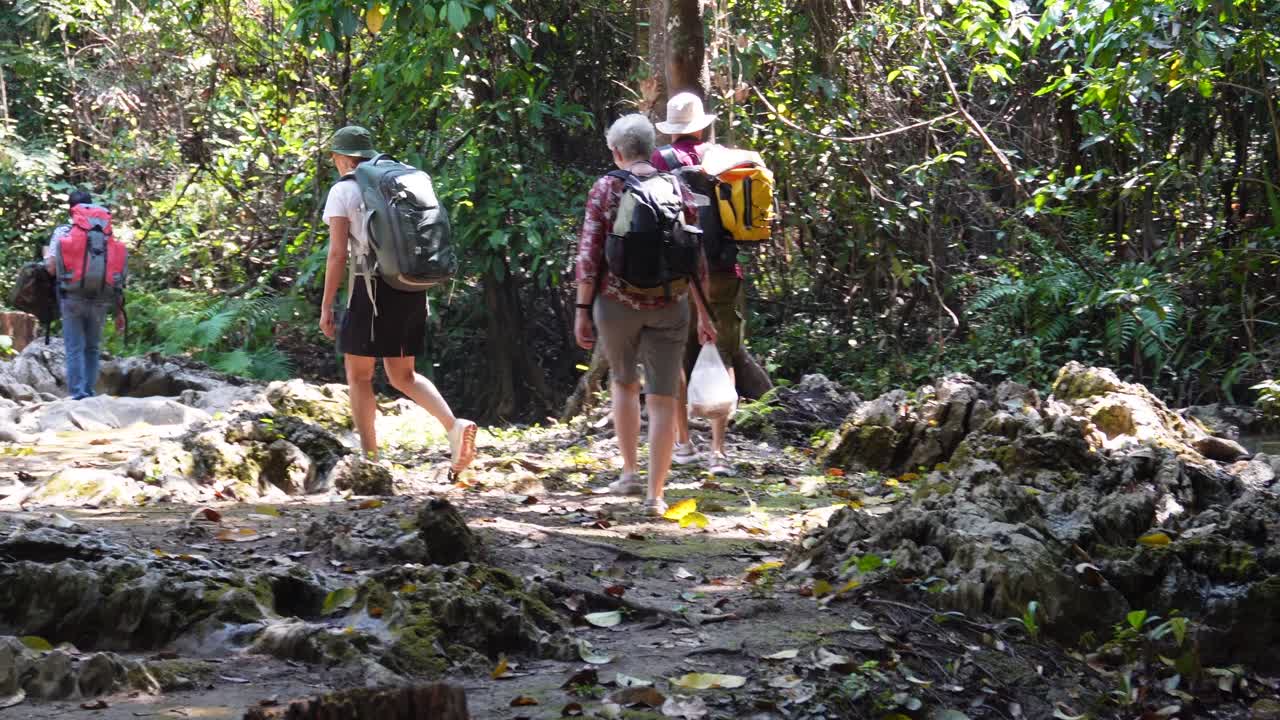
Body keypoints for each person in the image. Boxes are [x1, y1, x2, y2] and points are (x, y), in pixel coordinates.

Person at [574, 113, 717, 515]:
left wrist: (582, 310)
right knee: (662, 397)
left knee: (623, 384)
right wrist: (704, 313)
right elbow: (695, 258)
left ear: (616, 152)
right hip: (671, 303)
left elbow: (589, 253)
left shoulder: (605, 188)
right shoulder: (677, 186)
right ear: (652, 149)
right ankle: (656, 495)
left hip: (616, 303)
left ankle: (628, 475)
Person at [318, 125, 477, 475]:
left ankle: (370, 459)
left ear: (342, 158)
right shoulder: (398, 181)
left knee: (359, 376)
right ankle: (454, 427)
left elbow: (337, 255)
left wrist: (327, 304)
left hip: (369, 289)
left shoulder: (344, 190)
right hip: (410, 285)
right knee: (403, 375)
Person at [652, 92, 747, 477]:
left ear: (672, 129)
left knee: (677, 357)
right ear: (702, 125)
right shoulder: (720, 157)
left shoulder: (659, 161)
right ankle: (719, 452)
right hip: (723, 272)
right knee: (721, 354)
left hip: (677, 274)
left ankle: (684, 444)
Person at [45, 190, 125, 400]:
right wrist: (119, 309)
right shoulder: (105, 234)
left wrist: (46, 258)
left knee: (74, 348)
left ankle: (78, 394)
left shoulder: (64, 231)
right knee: (92, 347)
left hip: (72, 296)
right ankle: (89, 392)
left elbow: (51, 268)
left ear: (71, 210)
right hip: (100, 297)